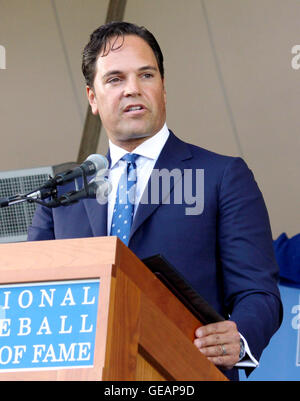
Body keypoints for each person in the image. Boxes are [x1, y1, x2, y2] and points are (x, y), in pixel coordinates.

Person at [28, 21, 282, 380]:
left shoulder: (222, 176)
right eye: (115, 79)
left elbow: (259, 293)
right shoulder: (63, 190)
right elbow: (30, 295)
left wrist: (239, 337)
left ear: (163, 87)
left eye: (146, 75)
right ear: (92, 98)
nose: (133, 89)